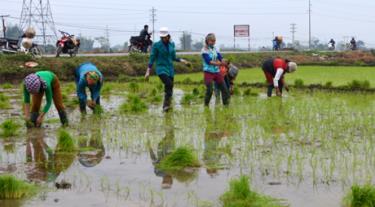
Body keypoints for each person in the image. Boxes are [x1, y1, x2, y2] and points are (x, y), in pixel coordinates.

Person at [145, 27, 190, 112]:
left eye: (164, 37)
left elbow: (173, 57)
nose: (163, 39)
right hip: (161, 68)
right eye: (161, 37)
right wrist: (148, 70)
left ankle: (168, 106)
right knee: (169, 84)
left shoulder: (171, 45)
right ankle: (165, 105)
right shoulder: (156, 45)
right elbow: (152, 58)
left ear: (168, 36)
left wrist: (183, 61)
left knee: (170, 87)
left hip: (170, 69)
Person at [201, 33, 230, 106]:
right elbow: (209, 61)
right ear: (207, 41)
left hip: (216, 71)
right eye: (212, 41)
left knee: (224, 89)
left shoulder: (215, 49)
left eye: (214, 41)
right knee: (210, 90)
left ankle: (226, 106)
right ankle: (206, 105)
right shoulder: (204, 50)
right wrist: (220, 64)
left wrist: (225, 61)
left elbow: (220, 57)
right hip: (208, 72)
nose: (213, 42)